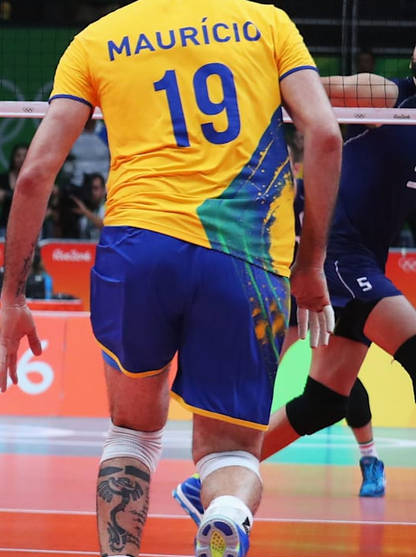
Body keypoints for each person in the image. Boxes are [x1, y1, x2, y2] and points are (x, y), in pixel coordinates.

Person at [0, 0, 342, 557]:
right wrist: (312, 263)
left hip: (139, 247)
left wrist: (11, 294)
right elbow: (325, 136)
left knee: (132, 430)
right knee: (229, 449)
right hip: (243, 258)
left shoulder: (96, 40)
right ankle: (227, 520)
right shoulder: (267, 25)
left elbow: (35, 174)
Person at [167, 45, 416, 517]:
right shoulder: (390, 97)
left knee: (324, 403)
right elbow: (311, 91)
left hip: (364, 263)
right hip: (340, 258)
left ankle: (211, 487)